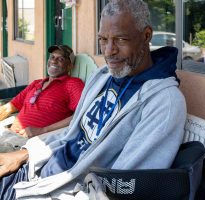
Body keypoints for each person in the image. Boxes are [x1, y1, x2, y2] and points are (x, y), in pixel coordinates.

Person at [0, 0, 187, 199]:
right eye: (103, 40)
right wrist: (26, 154)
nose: (108, 51)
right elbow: (71, 135)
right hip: (36, 172)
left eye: (120, 39)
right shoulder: (102, 77)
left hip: (60, 191)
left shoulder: (164, 102)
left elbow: (124, 185)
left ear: (146, 36)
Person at [0, 45, 84, 152]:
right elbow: (9, 107)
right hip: (8, 135)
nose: (54, 61)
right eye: (52, 57)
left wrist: (42, 130)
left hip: (28, 144)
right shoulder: (37, 83)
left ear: (69, 66)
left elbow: (81, 114)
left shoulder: (72, 84)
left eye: (61, 59)